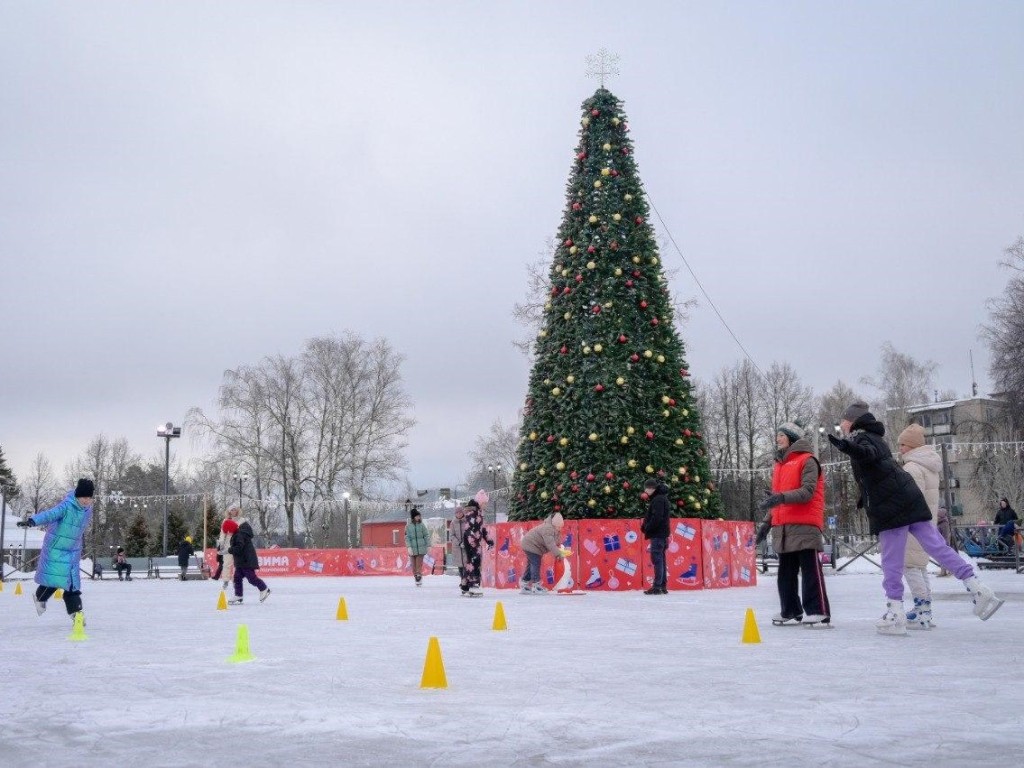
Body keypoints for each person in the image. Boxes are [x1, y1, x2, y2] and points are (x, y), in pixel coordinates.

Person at [829, 402, 1003, 634]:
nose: (841, 424)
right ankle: (978, 588)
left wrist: (847, 447)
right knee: (938, 547)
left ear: (853, 421)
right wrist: (865, 497)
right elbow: (877, 468)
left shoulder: (862, 439)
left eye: (844, 420)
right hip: (909, 499)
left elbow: (867, 455)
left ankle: (895, 612)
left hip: (892, 508)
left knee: (892, 561)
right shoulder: (874, 437)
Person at [756, 422, 831, 625]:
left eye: (781, 435)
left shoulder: (808, 461)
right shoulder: (779, 465)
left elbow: (807, 492)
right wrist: (765, 524)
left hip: (805, 524)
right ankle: (790, 610)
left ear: (792, 438)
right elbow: (777, 501)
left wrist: (779, 498)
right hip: (784, 527)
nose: (778, 438)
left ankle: (818, 610)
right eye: (777, 435)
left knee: (810, 571)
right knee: (785, 574)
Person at [16, 478, 94, 622]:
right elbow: (50, 514)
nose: (86, 501)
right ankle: (40, 597)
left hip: (73, 551)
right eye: (84, 497)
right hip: (56, 549)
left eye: (89, 498)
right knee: (55, 579)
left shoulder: (88, 510)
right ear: (77, 495)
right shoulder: (67, 506)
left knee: (71, 583)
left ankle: (76, 613)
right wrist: (33, 521)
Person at [895, 424, 941, 629]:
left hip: (912, 522)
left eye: (903, 444)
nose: (900, 448)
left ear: (912, 446)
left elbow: (911, 497)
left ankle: (922, 609)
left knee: (910, 565)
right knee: (919, 565)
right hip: (926, 522)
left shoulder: (912, 467)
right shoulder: (928, 465)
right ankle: (925, 610)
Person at [223, 517, 270, 605]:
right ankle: (238, 595)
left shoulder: (239, 535)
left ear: (231, 529)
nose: (227, 534)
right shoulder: (237, 534)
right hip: (241, 562)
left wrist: (228, 550)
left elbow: (239, 548)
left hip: (246, 561)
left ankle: (264, 589)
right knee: (237, 578)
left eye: (227, 531)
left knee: (251, 578)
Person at [520, 512, 566, 594]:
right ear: (554, 525)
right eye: (558, 527)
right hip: (531, 545)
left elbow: (556, 542)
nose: (560, 528)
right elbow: (550, 544)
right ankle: (536, 585)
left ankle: (525, 584)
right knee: (535, 563)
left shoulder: (555, 529)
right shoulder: (548, 529)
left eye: (560, 527)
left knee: (531, 564)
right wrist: (558, 554)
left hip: (531, 545)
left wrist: (560, 548)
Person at [641, 479, 671, 595]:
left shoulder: (658, 499)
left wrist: (647, 527)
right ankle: (662, 585)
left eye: (646, 488)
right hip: (662, 534)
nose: (645, 491)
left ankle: (657, 586)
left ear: (651, 488)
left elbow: (657, 517)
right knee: (661, 560)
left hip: (658, 534)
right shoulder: (661, 498)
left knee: (657, 560)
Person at [461, 499, 493, 596]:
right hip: (471, 542)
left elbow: (482, 529)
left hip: (475, 542)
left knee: (472, 561)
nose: (486, 505)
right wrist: (472, 542)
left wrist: (488, 540)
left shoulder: (479, 514)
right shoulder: (471, 514)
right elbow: (467, 529)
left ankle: (465, 585)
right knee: (475, 561)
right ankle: (473, 584)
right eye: (484, 503)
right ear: (480, 503)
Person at [213, 506, 240, 588]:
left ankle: (236, 580)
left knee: (237, 564)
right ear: (229, 511)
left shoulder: (241, 520)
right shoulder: (226, 520)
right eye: (232, 510)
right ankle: (226, 581)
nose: (233, 511)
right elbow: (223, 533)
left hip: (238, 544)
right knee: (226, 563)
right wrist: (221, 543)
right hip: (228, 544)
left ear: (237, 511)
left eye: (234, 509)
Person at [448, 506, 470, 595]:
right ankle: (462, 581)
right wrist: (458, 542)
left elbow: (469, 532)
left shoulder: (467, 521)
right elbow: (451, 536)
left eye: (460, 512)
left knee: (466, 565)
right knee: (460, 567)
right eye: (457, 513)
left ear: (463, 513)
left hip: (465, 547)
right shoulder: (453, 523)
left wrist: (466, 542)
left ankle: (465, 582)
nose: (459, 514)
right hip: (457, 548)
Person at [405, 505, 429, 586]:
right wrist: (409, 547)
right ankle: (416, 576)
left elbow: (426, 535)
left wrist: (428, 545)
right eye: (417, 516)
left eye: (419, 516)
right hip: (412, 549)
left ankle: (419, 576)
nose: (419, 517)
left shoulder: (422, 525)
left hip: (421, 548)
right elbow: (407, 537)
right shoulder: (408, 527)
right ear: (413, 517)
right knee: (414, 566)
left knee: (419, 564)